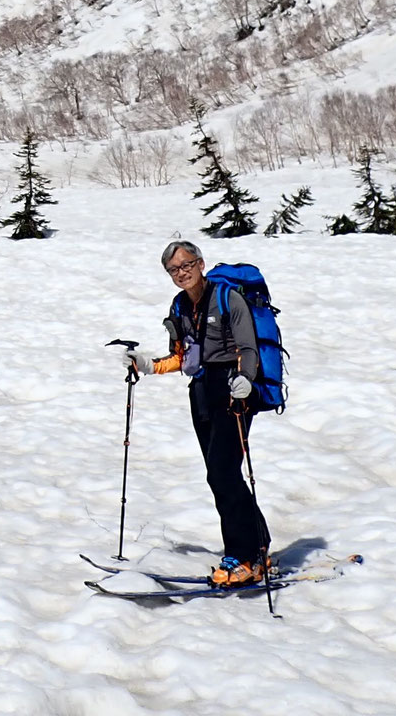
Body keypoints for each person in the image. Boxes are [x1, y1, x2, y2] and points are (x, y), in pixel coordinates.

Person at [122, 239, 271, 586]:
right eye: (174, 269)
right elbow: (182, 357)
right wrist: (147, 365)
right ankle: (257, 546)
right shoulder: (179, 307)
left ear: (201, 264)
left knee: (222, 472)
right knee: (221, 473)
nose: (181, 273)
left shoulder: (227, 299)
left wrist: (245, 380)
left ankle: (244, 555)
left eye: (187, 265)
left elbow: (248, 348)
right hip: (202, 392)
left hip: (234, 392)